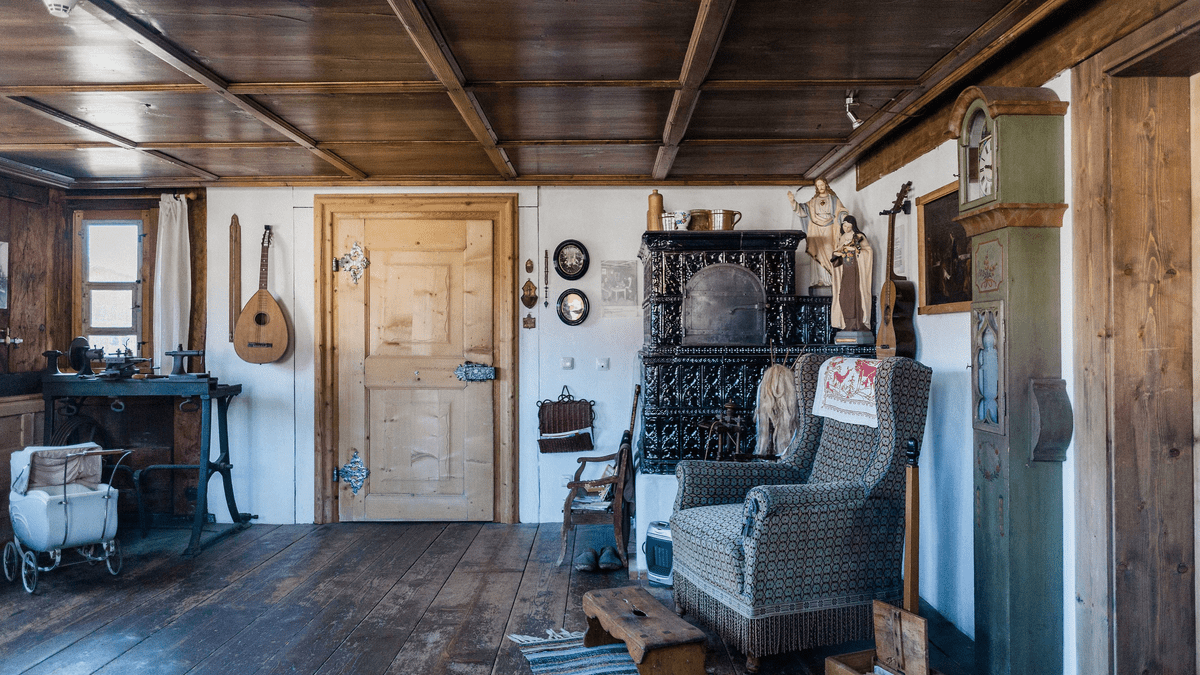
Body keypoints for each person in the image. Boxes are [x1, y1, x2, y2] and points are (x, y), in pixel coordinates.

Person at [787, 177, 850, 286]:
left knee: (829, 250)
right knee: (817, 251)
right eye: (818, 185)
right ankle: (820, 280)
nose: (820, 187)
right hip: (815, 229)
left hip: (829, 228)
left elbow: (841, 211)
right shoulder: (813, 201)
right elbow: (803, 212)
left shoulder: (833, 199)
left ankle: (831, 279)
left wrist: (844, 217)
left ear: (826, 184)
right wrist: (793, 202)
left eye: (822, 184)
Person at [829, 215, 873, 331]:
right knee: (844, 296)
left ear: (853, 226)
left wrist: (855, 251)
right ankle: (846, 324)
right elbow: (838, 253)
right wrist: (837, 254)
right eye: (845, 226)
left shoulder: (859, 236)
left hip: (856, 271)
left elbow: (867, 252)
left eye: (849, 227)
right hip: (845, 272)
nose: (846, 229)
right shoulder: (842, 238)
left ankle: (857, 324)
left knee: (855, 296)